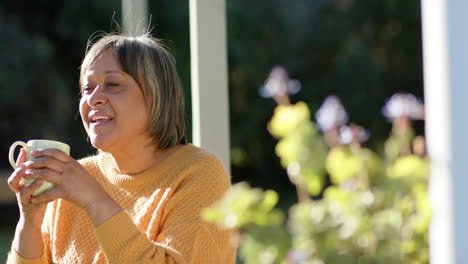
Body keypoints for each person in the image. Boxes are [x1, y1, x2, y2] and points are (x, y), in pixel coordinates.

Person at [7, 32, 237, 263]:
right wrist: (30, 222)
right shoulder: (72, 180)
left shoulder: (199, 173)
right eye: (87, 88)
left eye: (113, 84)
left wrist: (93, 199)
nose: (93, 99)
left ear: (155, 95)